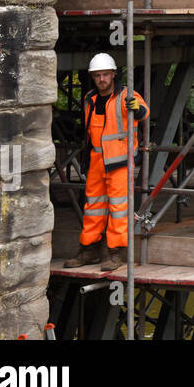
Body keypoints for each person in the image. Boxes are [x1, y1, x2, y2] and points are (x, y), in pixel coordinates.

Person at [64, 53, 150, 271]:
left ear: (113, 75)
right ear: (93, 77)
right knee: (93, 207)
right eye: (97, 75)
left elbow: (143, 111)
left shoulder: (125, 96)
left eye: (105, 75)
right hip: (97, 160)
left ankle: (115, 254)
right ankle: (88, 250)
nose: (102, 79)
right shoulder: (90, 99)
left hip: (120, 162)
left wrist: (136, 108)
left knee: (119, 208)